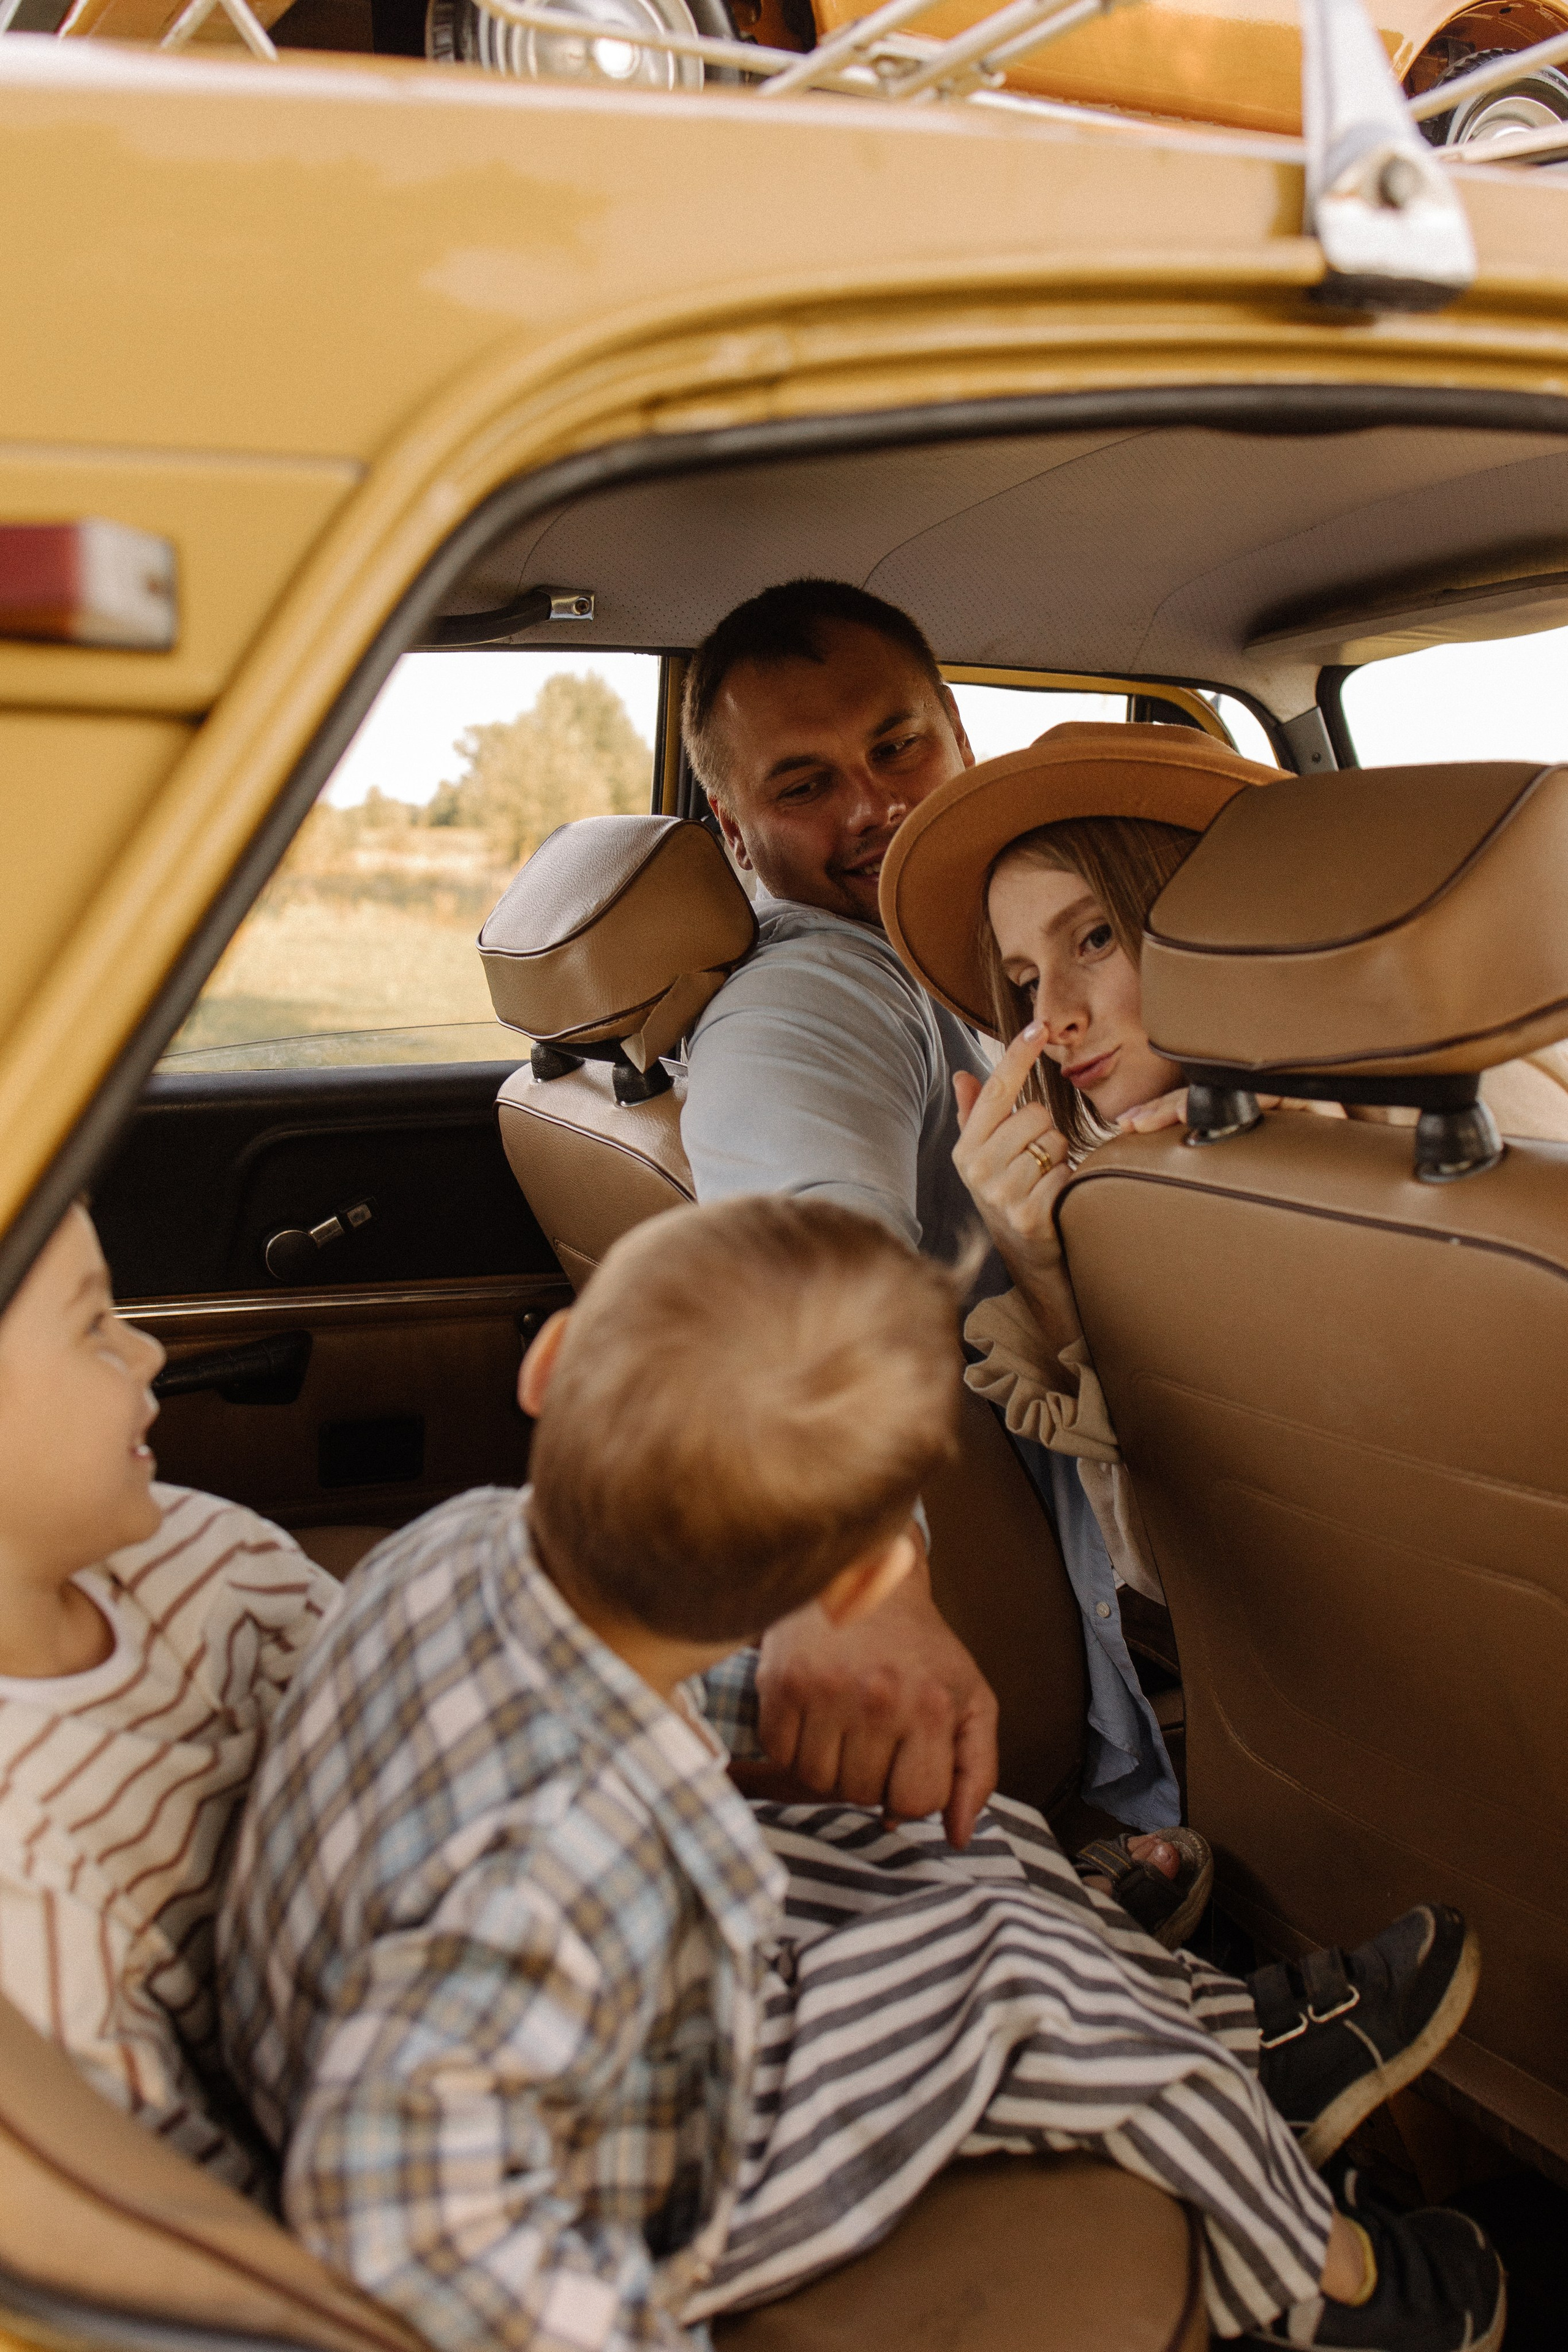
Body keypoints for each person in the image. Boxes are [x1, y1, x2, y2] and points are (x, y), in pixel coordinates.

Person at [219, 1195, 1499, 2352]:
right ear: (851, 1587)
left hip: (487, 1991)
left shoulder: (458, 1542)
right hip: (615, 2153)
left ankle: (1234, 2040)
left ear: (546, 1365)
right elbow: (393, 2207)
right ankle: (1312, 2276)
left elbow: (582, 1692)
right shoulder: (563, 1863)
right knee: (1021, 1980)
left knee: (945, 1830)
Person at [679, 578, 1180, 1836]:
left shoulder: (962, 974)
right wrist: (851, 1577)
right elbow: (799, 1260)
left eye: (896, 745)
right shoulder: (815, 1001)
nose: (876, 805)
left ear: (955, 735)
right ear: (736, 838)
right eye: (803, 786)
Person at [0, 1200, 339, 2190]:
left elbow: (408, 1711)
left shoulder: (199, 1550)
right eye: (94, 1325)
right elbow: (191, 2216)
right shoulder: (28, 1879)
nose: (148, 1353)